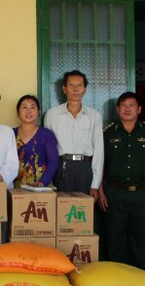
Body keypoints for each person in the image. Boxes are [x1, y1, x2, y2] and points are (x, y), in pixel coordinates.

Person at [99, 92, 145, 270]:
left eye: (131, 105)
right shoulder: (107, 133)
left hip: (142, 193)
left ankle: (139, 276)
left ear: (139, 109)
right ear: (117, 109)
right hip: (114, 193)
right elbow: (101, 164)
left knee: (141, 238)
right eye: (123, 105)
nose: (127, 109)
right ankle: (118, 277)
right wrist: (101, 190)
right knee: (114, 237)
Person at [44, 70, 104, 200]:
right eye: (71, 85)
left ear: (85, 89)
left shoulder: (94, 116)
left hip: (85, 169)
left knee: (84, 213)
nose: (75, 89)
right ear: (64, 89)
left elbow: (99, 150)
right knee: (61, 212)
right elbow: (47, 149)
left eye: (79, 85)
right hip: (61, 168)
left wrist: (95, 184)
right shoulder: (52, 115)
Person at [13, 94, 59, 187]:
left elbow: (53, 161)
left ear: (38, 112)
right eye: (24, 107)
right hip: (15, 189)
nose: (28, 111)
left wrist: (43, 182)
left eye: (32, 107)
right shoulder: (10, 134)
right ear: (18, 112)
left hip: (41, 188)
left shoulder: (47, 135)